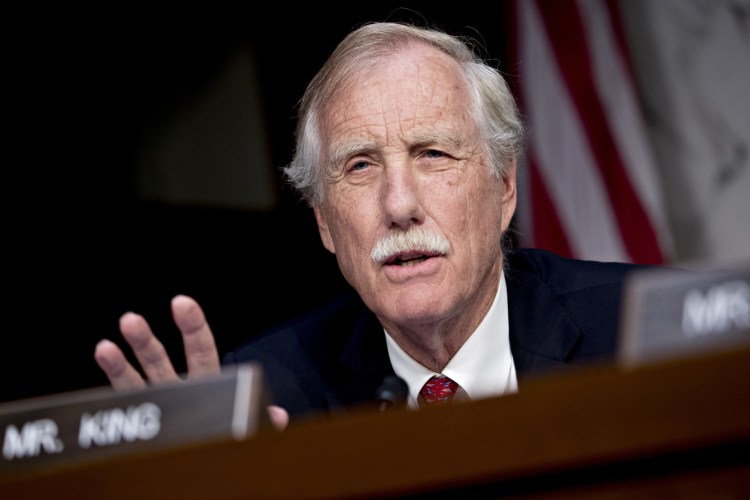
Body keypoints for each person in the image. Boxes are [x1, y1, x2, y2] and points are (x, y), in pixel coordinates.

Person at [94, 21, 646, 430]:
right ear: (325, 223)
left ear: (504, 187)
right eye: (360, 166)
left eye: (432, 154)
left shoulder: (640, 337)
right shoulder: (260, 402)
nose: (399, 204)